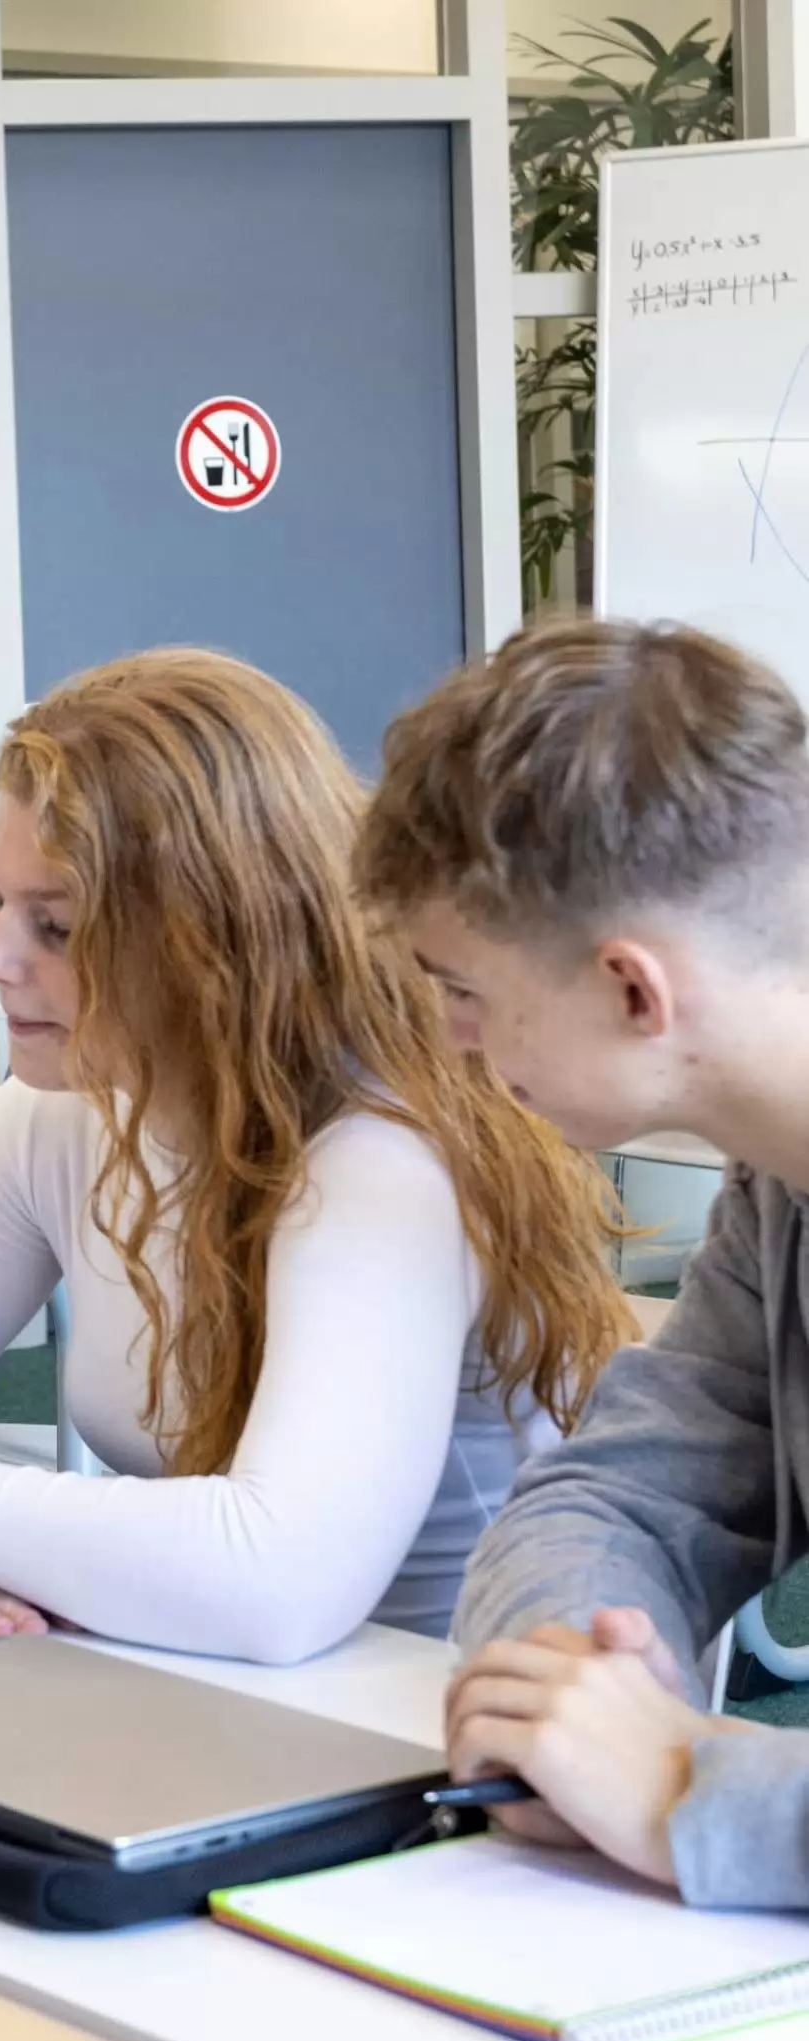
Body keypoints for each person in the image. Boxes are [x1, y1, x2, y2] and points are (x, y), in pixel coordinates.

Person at [0, 649, 626, 1661]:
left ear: (213, 940)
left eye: (57, 925)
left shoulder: (377, 1155)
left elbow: (280, 1585)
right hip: (195, 1671)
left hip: (443, 1708)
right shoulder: (64, 1113)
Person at [356, 616, 809, 1909]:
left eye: (464, 989)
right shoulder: (776, 1184)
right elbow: (617, 1495)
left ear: (633, 991)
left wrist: (685, 1789)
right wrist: (567, 1697)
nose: (452, 1038)